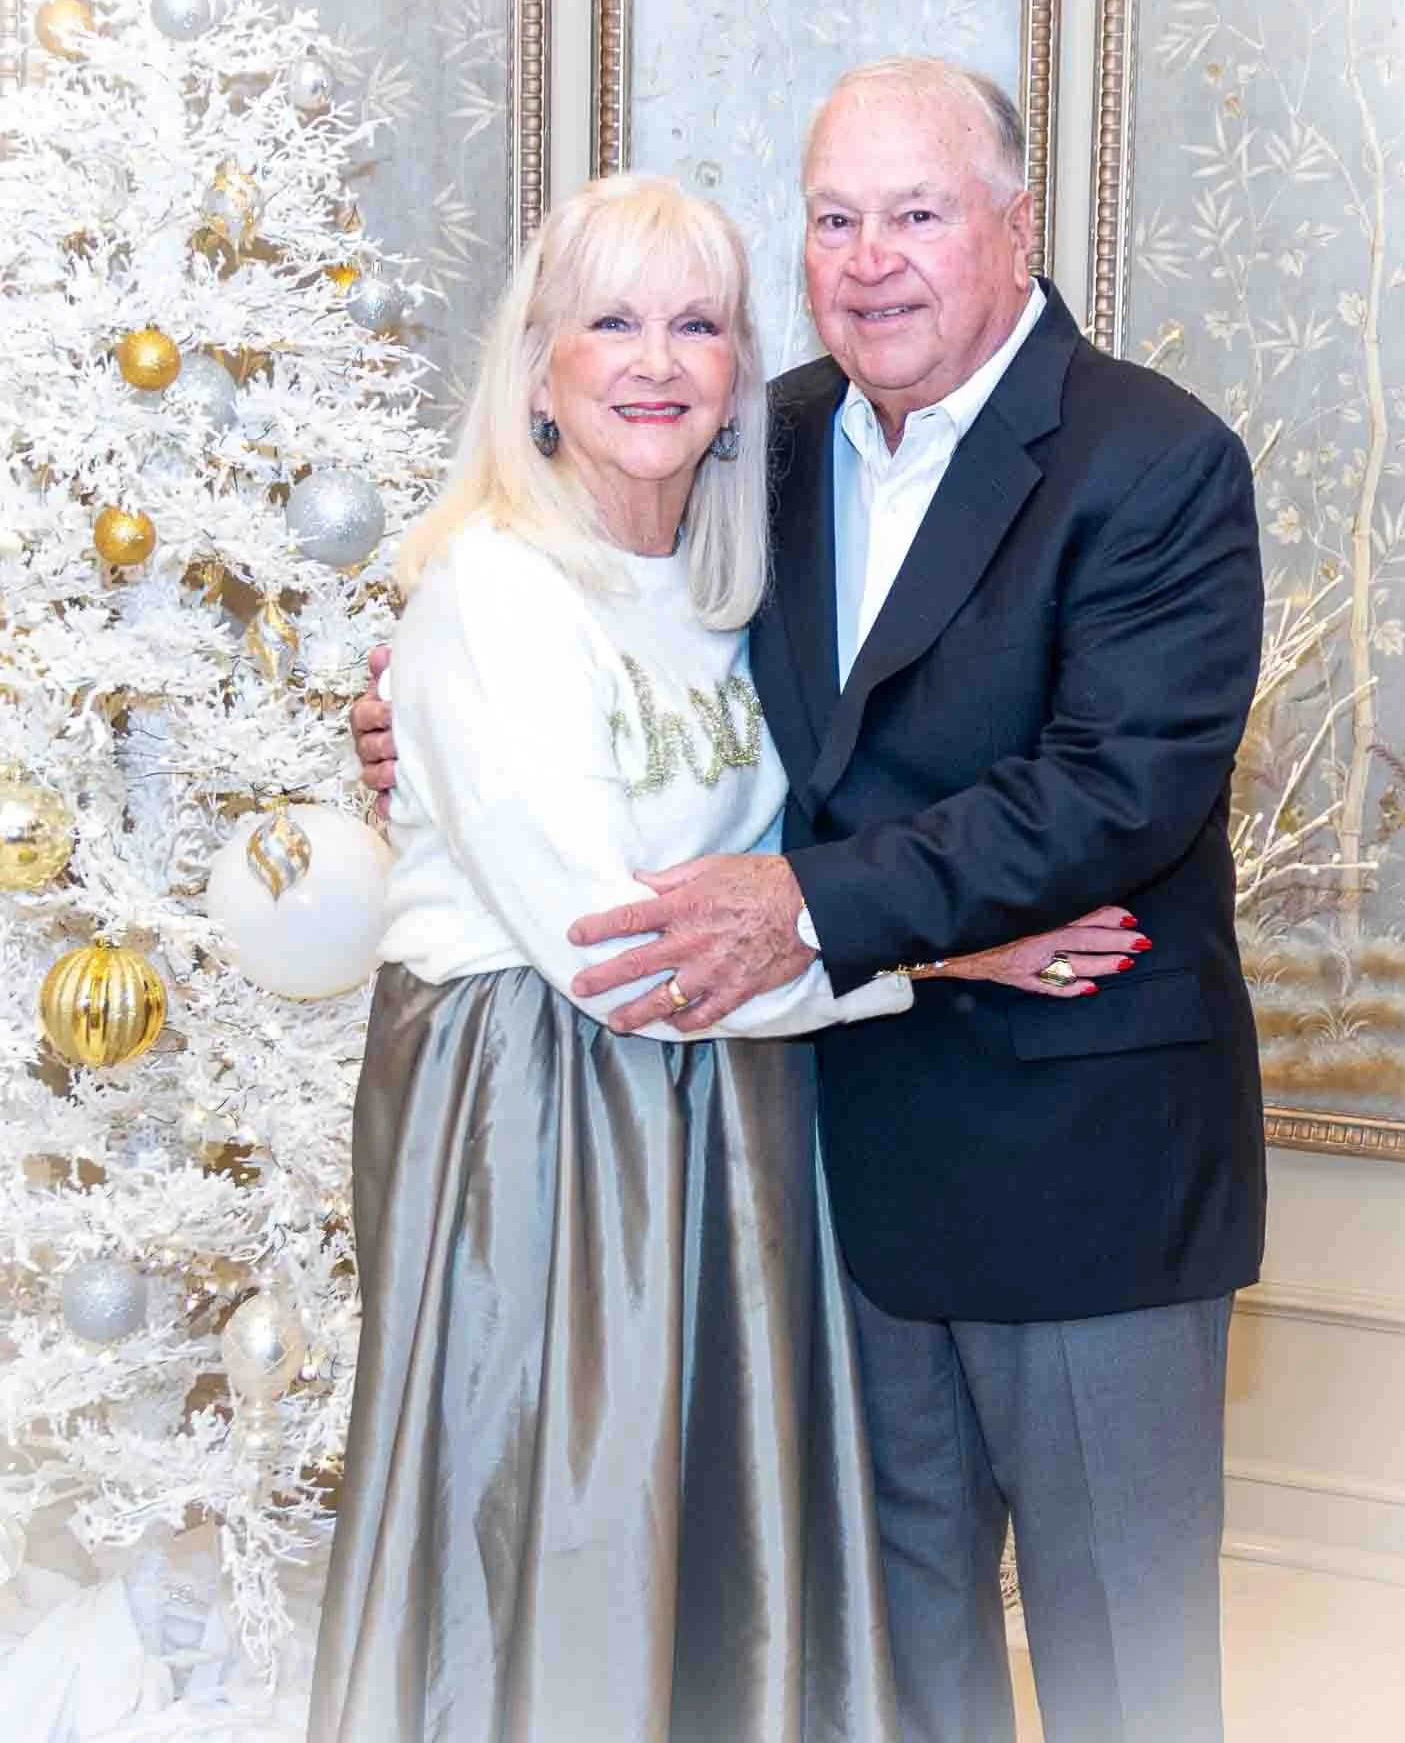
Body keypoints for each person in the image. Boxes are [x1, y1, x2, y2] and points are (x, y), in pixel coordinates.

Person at [316, 170, 1136, 1743]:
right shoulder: (490, 585)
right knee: (570, 1533)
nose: (657, 362)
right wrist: (947, 963)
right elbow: (616, 953)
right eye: (611, 322)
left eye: (698, 324)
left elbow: (811, 835)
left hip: (740, 1125)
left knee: (721, 1558)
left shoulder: (731, 587)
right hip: (544, 1134)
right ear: (539, 361)